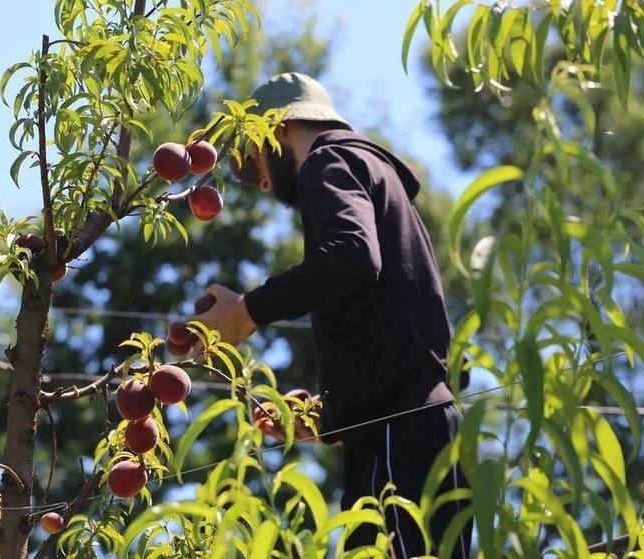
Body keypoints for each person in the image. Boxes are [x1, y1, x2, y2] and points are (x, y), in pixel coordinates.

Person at [194, 72, 472, 558]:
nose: (261, 182)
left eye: (254, 160)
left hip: (397, 437)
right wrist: (333, 412)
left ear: (277, 130)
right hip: (413, 429)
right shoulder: (376, 180)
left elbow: (352, 256)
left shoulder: (327, 159)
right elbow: (398, 334)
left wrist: (246, 314)